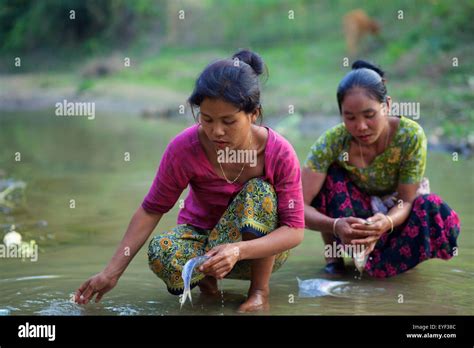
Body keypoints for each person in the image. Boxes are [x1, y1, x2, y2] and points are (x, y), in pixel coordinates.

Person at [75, 49, 305, 312]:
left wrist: (238, 250)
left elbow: (294, 229)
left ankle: (259, 292)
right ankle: (209, 290)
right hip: (202, 246)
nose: (216, 131)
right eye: (207, 119)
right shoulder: (184, 148)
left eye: (228, 121)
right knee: (161, 250)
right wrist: (111, 274)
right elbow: (152, 209)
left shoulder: (279, 152)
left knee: (259, 191)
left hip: (257, 252)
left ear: (254, 114)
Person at [302, 60, 460, 277]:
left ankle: (389, 261)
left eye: (369, 115)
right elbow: (297, 206)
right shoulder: (331, 142)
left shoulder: (410, 136)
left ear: (387, 105)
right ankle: (334, 258)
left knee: (432, 208)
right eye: (350, 117)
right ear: (341, 114)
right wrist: (335, 225)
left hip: (395, 213)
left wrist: (386, 221)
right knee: (330, 176)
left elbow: (406, 200)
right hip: (351, 218)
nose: (361, 126)